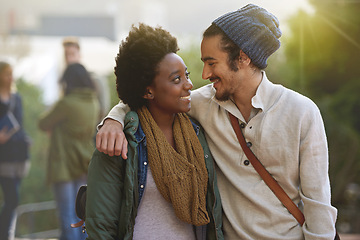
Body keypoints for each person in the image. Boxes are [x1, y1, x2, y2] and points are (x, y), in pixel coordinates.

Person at [95, 4, 338, 240]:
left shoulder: (302, 112)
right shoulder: (202, 104)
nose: (204, 75)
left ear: (242, 58)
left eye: (212, 63)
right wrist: (113, 120)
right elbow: (147, 96)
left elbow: (317, 202)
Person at [85, 23, 223, 240]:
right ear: (148, 91)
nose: (189, 85)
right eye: (176, 79)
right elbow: (101, 228)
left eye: (186, 75)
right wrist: (113, 120)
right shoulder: (120, 142)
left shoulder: (198, 133)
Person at [38, 63, 99, 240]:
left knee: (67, 217)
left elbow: (43, 123)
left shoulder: (66, 103)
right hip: (84, 163)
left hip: (63, 164)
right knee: (82, 217)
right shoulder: (93, 102)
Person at [0, 61, 30, 240]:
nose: (10, 77)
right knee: (12, 199)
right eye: (6, 73)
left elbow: (20, 124)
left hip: (19, 153)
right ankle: (5, 234)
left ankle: (7, 233)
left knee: (13, 200)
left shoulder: (16, 97)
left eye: (12, 73)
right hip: (4, 156)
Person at [62, 37, 110, 122]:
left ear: (79, 55)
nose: (69, 59)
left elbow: (104, 108)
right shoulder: (65, 83)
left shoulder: (95, 79)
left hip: (92, 129)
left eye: (72, 54)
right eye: (66, 55)